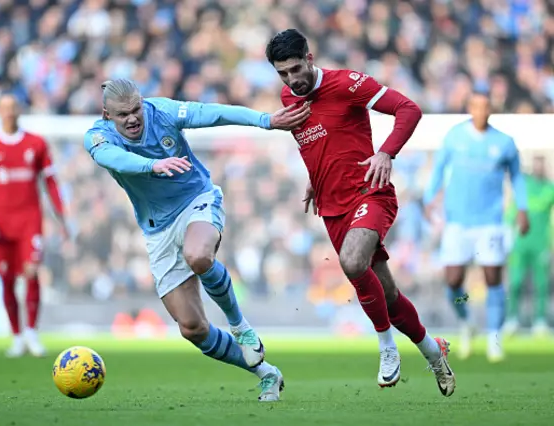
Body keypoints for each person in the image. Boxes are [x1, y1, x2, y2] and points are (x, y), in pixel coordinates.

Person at [84, 79, 310, 402]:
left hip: (197, 201)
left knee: (199, 256)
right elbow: (115, 160)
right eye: (123, 115)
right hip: (157, 231)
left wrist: (266, 121)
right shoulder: (96, 137)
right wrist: (153, 165)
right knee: (193, 328)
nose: (133, 118)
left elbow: (213, 113)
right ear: (107, 114)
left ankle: (241, 326)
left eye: (136, 109)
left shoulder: (161, 111)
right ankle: (266, 373)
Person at [265, 28, 455, 397]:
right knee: (389, 296)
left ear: (310, 58)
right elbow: (319, 141)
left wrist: (386, 152)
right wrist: (314, 178)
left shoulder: (348, 83)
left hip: (371, 192)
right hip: (331, 206)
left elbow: (408, 109)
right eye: (282, 73)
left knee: (353, 263)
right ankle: (434, 352)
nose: (291, 79)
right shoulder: (289, 96)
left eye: (294, 69)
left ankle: (386, 348)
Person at [424, 92, 529, 362]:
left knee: (493, 278)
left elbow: (517, 178)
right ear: (469, 107)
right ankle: (467, 318)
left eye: (486, 107)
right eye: (476, 106)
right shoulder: (454, 137)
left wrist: (522, 208)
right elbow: (438, 170)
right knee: (453, 281)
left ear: (491, 109)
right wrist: (429, 199)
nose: (481, 111)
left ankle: (494, 337)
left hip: (490, 223)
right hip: (457, 221)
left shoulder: (504, 143)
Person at [0, 94, 68, 357]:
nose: (10, 112)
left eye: (14, 108)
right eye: (5, 108)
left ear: (19, 111)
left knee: (32, 271)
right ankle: (16, 336)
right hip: (0, 223)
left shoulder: (35, 143)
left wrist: (61, 215)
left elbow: (51, 182)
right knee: (7, 280)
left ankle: (32, 333)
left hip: (29, 219)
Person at [505, 154, 554, 336]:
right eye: (536, 165)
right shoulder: (523, 186)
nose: (538, 168)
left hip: (541, 244)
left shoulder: (550, 188)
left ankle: (540, 320)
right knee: (516, 282)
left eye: (541, 165)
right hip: (520, 243)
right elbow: (512, 211)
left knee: (541, 284)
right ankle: (512, 319)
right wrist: (507, 232)